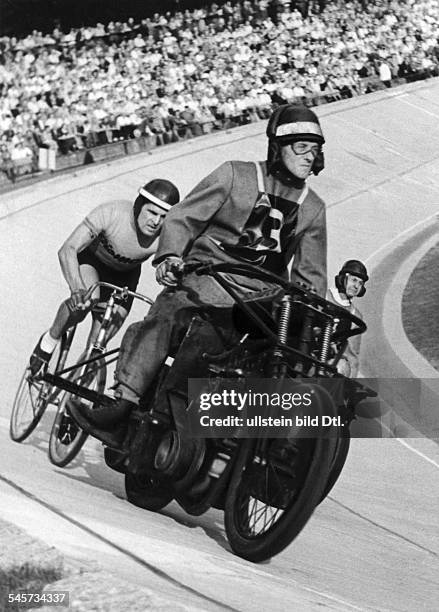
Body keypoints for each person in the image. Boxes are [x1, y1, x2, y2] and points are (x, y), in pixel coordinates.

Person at [70, 104, 329, 447]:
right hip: (204, 279)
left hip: (257, 303)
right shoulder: (235, 174)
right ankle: (124, 404)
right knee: (167, 316)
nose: (309, 156)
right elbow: (182, 218)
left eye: (315, 149)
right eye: (300, 146)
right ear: (277, 148)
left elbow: (311, 276)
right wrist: (171, 256)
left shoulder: (314, 208)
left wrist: (310, 310)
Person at [28, 179, 180, 377]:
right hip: (92, 263)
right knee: (87, 300)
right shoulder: (112, 212)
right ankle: (49, 340)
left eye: (163, 217)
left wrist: (169, 271)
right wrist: (77, 289)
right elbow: (68, 249)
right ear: (139, 206)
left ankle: (73, 391)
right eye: (152, 212)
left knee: (97, 346)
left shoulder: (165, 235)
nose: (156, 222)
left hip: (126, 276)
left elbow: (170, 263)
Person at [326, 260, 368, 378]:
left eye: (360, 283)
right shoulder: (323, 295)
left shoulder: (356, 316)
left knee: (342, 367)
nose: (356, 286)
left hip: (330, 361)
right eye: (354, 280)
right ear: (342, 279)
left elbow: (352, 356)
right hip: (309, 349)